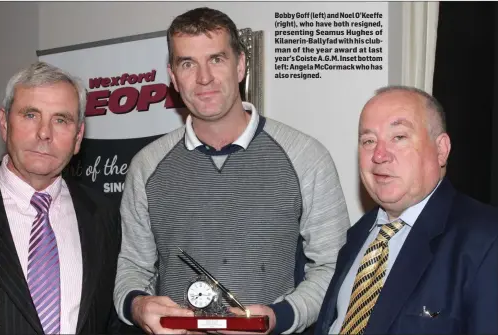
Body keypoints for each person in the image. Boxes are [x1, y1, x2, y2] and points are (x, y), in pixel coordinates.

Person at [114, 7, 350, 335]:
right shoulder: (146, 166)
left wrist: (278, 317)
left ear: (240, 65)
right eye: (187, 63)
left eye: (216, 59)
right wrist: (137, 305)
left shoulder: (306, 157)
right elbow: (132, 266)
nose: (204, 78)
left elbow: (334, 268)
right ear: (172, 76)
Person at [0, 61, 122, 334]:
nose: (44, 133)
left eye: (61, 120)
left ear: (78, 137)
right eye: (30, 115)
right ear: (4, 124)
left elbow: (112, 322)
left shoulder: (104, 215)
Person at [314, 86, 498, 334]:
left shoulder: (486, 239)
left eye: (399, 137)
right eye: (368, 141)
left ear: (441, 149)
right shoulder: (357, 236)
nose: (379, 155)